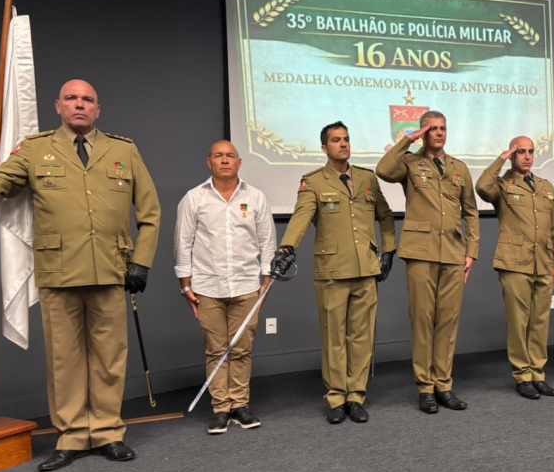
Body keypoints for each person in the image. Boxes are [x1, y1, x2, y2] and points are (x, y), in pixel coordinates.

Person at [0, 80, 160, 471]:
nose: (79, 105)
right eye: (71, 98)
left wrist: (141, 262)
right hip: (58, 271)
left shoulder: (124, 150)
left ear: (97, 109)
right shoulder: (34, 149)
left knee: (110, 358)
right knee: (64, 360)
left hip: (111, 270)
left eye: (87, 99)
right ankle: (72, 436)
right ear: (58, 106)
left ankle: (107, 432)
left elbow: (149, 213)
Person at [271, 121, 395, 424]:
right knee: (334, 338)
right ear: (324, 148)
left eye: (347, 139)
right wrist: (286, 248)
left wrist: (388, 249)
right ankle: (337, 398)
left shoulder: (367, 178)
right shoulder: (313, 182)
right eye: (336, 140)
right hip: (332, 270)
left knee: (362, 337)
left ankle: (356, 396)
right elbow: (301, 218)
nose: (343, 144)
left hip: (366, 268)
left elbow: (385, 215)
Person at [375, 110, 479, 414]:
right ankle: (425, 387)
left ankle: (444, 385)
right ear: (422, 132)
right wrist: (407, 141)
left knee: (447, 322)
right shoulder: (409, 162)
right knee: (422, 321)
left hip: (453, 252)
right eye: (432, 129)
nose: (439, 133)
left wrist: (470, 251)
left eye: (443, 128)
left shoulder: (459, 168)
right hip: (420, 251)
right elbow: (383, 170)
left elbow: (470, 211)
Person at [174, 140, 275, 434]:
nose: (225, 160)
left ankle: (240, 405)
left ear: (240, 162)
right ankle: (220, 408)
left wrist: (267, 279)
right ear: (209, 162)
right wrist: (185, 285)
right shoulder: (194, 198)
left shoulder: (256, 197)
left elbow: (267, 241)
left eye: (230, 156)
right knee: (216, 349)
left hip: (247, 286)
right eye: (218, 156)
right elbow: (183, 243)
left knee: (241, 349)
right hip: (207, 286)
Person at [476, 136, 554, 399]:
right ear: (513, 155)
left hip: (543, 262)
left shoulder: (546, 187)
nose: (526, 156)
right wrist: (501, 158)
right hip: (514, 262)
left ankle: (538, 373)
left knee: (540, 322)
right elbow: (482, 187)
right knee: (518, 322)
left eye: (530, 152)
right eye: (520, 152)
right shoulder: (502, 185)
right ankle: (522, 375)